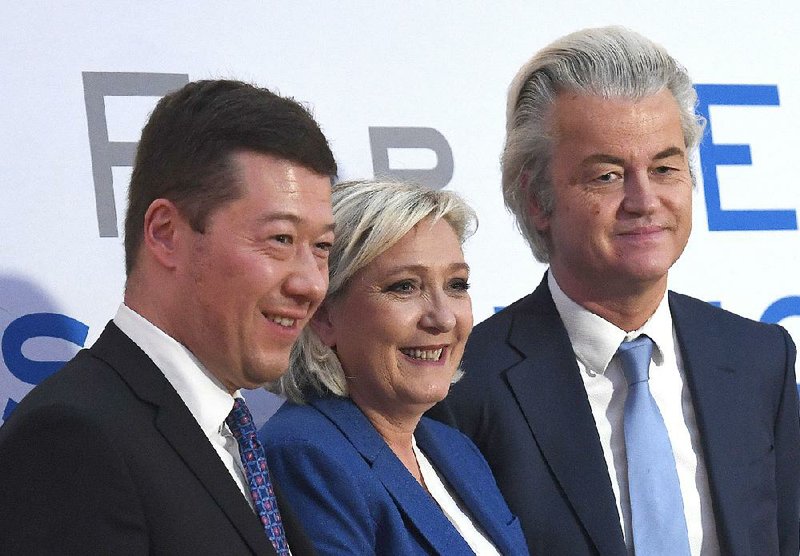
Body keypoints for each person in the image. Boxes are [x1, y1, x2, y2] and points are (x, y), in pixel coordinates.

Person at [429, 26, 800, 555]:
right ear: (537, 199)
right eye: (606, 175)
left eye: (665, 167)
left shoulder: (758, 358)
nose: (644, 199)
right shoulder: (465, 386)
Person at [0, 79, 338, 555]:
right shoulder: (73, 440)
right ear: (166, 234)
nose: (311, 284)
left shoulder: (236, 440)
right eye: (280, 239)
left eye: (322, 247)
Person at [259, 180, 529, 555]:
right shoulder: (305, 454)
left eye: (456, 285)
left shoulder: (455, 448)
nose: (442, 318)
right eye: (405, 287)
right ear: (323, 316)